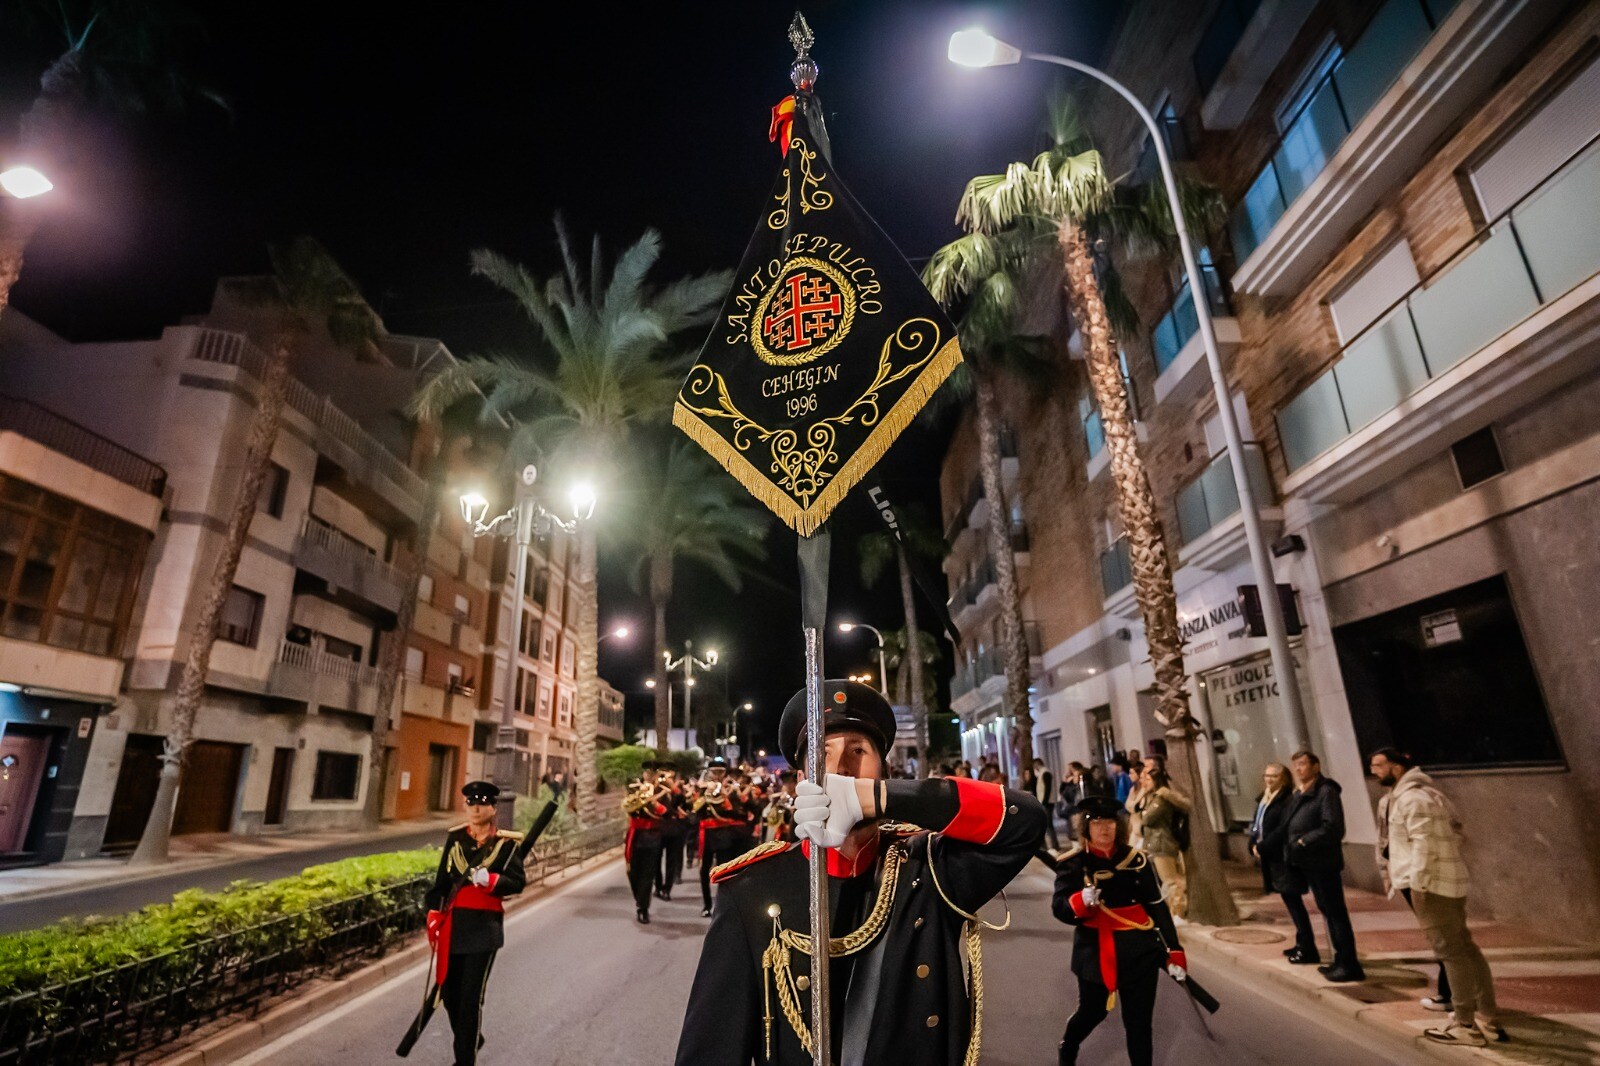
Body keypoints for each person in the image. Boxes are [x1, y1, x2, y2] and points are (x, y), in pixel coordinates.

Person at [675, 680, 1046, 1065]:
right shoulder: (750, 888)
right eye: (823, 753)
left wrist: (878, 797)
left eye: (859, 751)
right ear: (803, 780)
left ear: (883, 772)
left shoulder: (932, 869)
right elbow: (711, 1049)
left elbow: (1025, 821)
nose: (840, 769)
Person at [1370, 748, 1506, 1046]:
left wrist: (1419, 884)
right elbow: (1449, 835)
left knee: (1452, 953)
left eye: (1379, 766)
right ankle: (1488, 1018)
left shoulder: (1412, 798)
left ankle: (1464, 1024)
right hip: (1443, 882)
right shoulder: (1423, 795)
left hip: (1432, 887)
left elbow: (1424, 845)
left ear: (1397, 767)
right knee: (1465, 948)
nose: (1374, 772)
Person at [1050, 796, 1186, 1066]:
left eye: (1110, 821)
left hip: (1141, 952)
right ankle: (1069, 1044)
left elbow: (1156, 907)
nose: (1105, 827)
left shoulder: (1137, 860)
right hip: (1095, 952)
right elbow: (1060, 908)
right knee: (1092, 1012)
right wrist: (1079, 901)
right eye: (1097, 822)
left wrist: (1174, 949)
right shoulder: (1073, 863)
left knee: (1139, 1024)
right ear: (1086, 828)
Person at [422, 781, 527, 1065]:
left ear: (493, 808)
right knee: (450, 995)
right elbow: (441, 884)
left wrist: (492, 881)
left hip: (484, 930)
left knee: (470, 999)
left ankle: (465, 1059)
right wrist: (432, 913)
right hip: (454, 928)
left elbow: (518, 882)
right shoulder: (456, 839)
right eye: (471, 802)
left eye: (482, 803)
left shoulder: (505, 844)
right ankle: (472, 1036)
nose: (475, 807)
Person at [1282, 749, 1363, 982]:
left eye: (1303, 764)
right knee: (1328, 911)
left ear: (1316, 766)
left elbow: (1333, 827)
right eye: (1295, 765)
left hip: (1323, 861)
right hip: (1308, 862)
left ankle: (1348, 963)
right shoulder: (1302, 792)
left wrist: (1303, 841)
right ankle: (1339, 959)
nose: (1298, 769)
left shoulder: (1325, 791)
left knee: (1335, 913)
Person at [1131, 760, 1191, 919]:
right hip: (1156, 843)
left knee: (1172, 881)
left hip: (1163, 843)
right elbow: (1134, 808)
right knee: (1168, 881)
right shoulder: (1153, 796)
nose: (1144, 783)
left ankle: (1178, 913)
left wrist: (1141, 817)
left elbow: (1147, 819)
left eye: (1148, 780)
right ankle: (1174, 911)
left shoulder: (1162, 797)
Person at [694, 756, 747, 917]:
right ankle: (706, 905)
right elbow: (696, 810)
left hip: (724, 834)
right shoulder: (703, 788)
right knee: (704, 870)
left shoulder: (730, 789)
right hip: (707, 833)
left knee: (724, 869)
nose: (717, 775)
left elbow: (738, 811)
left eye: (720, 772)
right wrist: (705, 793)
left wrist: (726, 793)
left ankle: (722, 904)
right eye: (714, 772)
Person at [623, 762, 668, 924]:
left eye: (652, 773)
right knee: (632, 872)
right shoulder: (635, 788)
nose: (648, 776)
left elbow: (667, 812)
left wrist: (654, 801)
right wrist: (637, 796)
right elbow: (627, 806)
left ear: (656, 776)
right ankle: (639, 899)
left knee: (647, 874)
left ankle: (643, 908)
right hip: (634, 836)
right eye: (646, 773)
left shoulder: (662, 791)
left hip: (652, 836)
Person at [1247, 763, 1292, 896]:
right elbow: (1257, 822)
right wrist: (1252, 843)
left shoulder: (1287, 800)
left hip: (1279, 853)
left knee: (1289, 894)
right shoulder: (1263, 798)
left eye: (1274, 776)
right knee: (1281, 893)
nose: (1269, 779)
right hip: (1265, 853)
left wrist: (1262, 846)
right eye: (1267, 775)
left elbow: (1283, 827)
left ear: (1283, 779)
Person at [1031, 758, 1060, 849]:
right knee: (1048, 825)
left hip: (1047, 802)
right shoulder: (1042, 773)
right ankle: (1052, 845)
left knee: (1048, 825)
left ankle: (1053, 846)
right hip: (1046, 802)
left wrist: (1044, 802)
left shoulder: (1045, 773)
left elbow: (1047, 789)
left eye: (1034, 765)